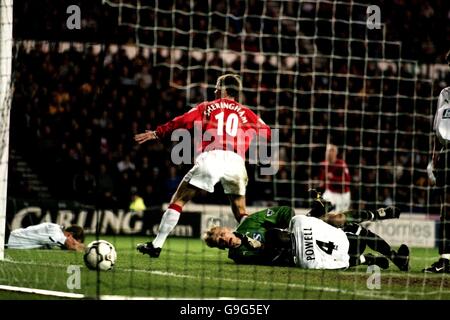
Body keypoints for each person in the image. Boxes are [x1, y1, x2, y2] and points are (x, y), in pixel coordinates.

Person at [134, 74, 271, 258]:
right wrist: (246, 137)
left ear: (224, 89)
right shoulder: (246, 112)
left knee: (178, 200)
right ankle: (256, 246)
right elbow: (267, 133)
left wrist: (158, 133)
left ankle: (156, 245)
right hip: (236, 161)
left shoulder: (206, 107)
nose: (214, 90)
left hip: (211, 157)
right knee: (240, 211)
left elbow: (181, 120)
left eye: (217, 86)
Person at [203, 203, 409, 271]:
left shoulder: (250, 223)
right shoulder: (239, 256)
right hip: (299, 255)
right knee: (341, 247)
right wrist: (260, 246)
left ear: (227, 229)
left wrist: (296, 227)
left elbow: (284, 212)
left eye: (222, 234)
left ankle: (378, 222)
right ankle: (370, 258)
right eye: (219, 242)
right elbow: (263, 254)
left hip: (300, 236)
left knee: (336, 219)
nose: (223, 239)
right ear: (221, 248)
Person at [424, 50, 450, 273]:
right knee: (446, 208)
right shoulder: (445, 94)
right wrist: (433, 161)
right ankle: (446, 258)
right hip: (447, 156)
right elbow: (436, 132)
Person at [6, 223, 85, 252]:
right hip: (8, 239)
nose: (74, 244)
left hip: (9, 239)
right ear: (70, 235)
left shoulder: (57, 231)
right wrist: (84, 249)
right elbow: (70, 246)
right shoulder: (55, 231)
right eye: (74, 242)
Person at [318, 144, 351, 212]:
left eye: (330, 151)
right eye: (327, 151)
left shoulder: (341, 164)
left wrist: (333, 178)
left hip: (342, 194)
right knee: (324, 210)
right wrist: (322, 182)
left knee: (341, 216)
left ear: (335, 153)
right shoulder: (324, 164)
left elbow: (347, 181)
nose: (328, 153)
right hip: (330, 192)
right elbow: (323, 179)